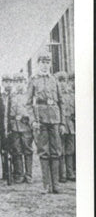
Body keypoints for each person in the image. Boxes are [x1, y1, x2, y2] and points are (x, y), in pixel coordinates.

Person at [25, 53, 63, 194]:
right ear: (38, 64)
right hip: (41, 120)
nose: (45, 65)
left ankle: (56, 185)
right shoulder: (34, 80)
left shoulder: (54, 80)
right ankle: (46, 185)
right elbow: (28, 104)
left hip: (55, 119)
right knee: (44, 152)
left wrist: (62, 122)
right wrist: (33, 120)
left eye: (47, 62)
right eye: (42, 62)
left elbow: (61, 102)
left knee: (56, 151)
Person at [0, 74, 31, 184]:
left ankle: (29, 175)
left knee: (28, 150)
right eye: (17, 82)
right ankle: (19, 174)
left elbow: (32, 111)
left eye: (21, 82)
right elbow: (6, 114)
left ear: (25, 83)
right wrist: (7, 128)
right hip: (15, 128)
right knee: (17, 151)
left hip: (26, 127)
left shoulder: (28, 96)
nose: (19, 84)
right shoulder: (11, 97)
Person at [55, 71, 75, 182]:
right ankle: (61, 174)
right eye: (60, 80)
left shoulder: (71, 95)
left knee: (70, 150)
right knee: (60, 150)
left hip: (71, 125)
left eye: (64, 81)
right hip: (60, 125)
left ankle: (70, 173)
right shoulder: (55, 96)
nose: (62, 83)